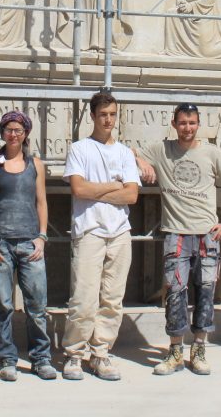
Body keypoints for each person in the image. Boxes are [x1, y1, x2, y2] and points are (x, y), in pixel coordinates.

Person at [134, 103, 221, 376]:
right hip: (176, 234)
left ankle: (200, 349)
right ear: (174, 124)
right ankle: (174, 351)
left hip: (207, 234)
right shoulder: (162, 149)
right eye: (182, 123)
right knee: (174, 293)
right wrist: (142, 162)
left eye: (192, 123)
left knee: (206, 292)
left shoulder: (211, 152)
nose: (187, 128)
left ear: (198, 124)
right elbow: (129, 152)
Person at [60, 90, 141, 381]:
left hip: (120, 232)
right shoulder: (80, 149)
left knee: (112, 299)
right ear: (93, 116)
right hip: (90, 230)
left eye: (112, 115)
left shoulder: (124, 152)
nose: (108, 120)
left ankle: (101, 353)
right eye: (103, 114)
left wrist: (100, 190)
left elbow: (132, 195)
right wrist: (112, 186)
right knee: (83, 297)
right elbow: (79, 190)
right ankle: (74, 354)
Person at [0, 110, 56, 381]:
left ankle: (41, 357)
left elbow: (41, 202)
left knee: (37, 304)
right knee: (3, 305)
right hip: (0, 244)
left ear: (25, 134)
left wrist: (42, 236)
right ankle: (7, 358)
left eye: (18, 130)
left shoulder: (36, 164)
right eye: (9, 130)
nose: (13, 134)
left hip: (29, 244)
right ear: (2, 132)